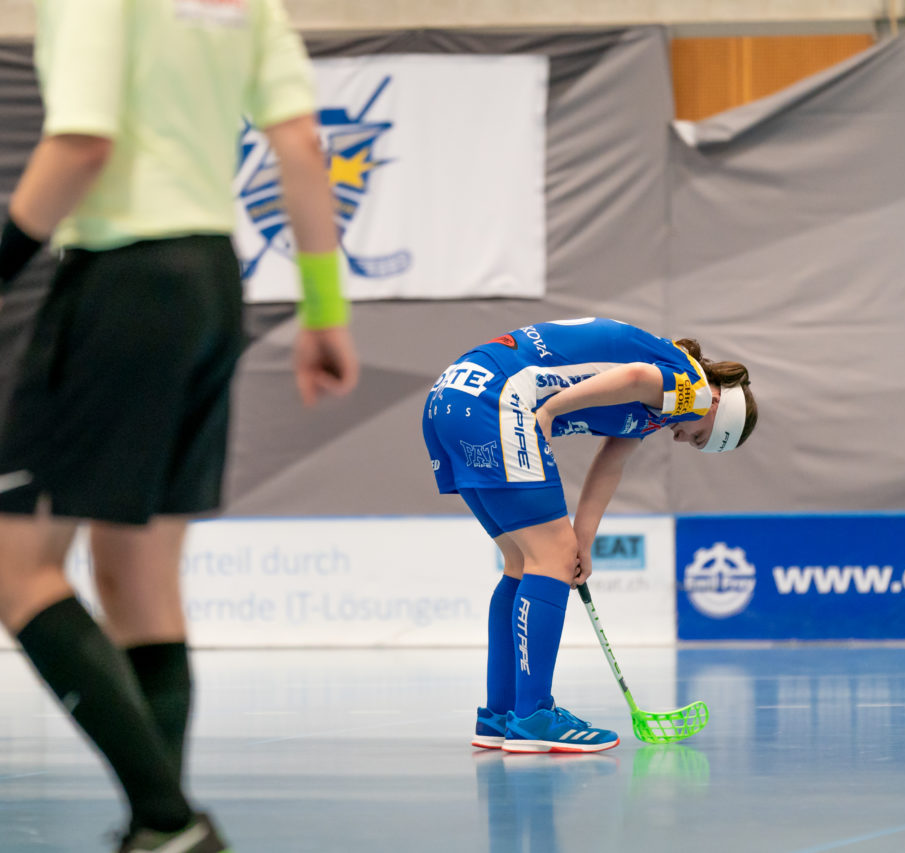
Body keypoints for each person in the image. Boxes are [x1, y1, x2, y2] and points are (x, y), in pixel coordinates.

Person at [0, 1, 359, 851]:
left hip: (120, 281)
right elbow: (302, 147)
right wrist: (324, 309)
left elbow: (83, 143)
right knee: (140, 578)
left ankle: (169, 819)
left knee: (15, 568)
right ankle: (159, 830)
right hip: (207, 285)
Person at [421, 317, 757, 753]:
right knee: (549, 559)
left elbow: (610, 464)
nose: (683, 439)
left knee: (524, 563)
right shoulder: (693, 391)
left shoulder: (659, 405)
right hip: (498, 400)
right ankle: (533, 717)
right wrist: (550, 410)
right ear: (718, 410)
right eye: (699, 439)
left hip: (451, 396)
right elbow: (634, 377)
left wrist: (581, 541)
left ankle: (500, 716)